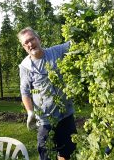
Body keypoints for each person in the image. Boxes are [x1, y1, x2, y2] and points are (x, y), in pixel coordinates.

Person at [18, 27, 77, 160]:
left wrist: (79, 27)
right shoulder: (26, 66)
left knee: (66, 153)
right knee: (46, 154)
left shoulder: (56, 51)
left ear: (38, 38)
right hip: (45, 119)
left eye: (31, 39)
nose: (30, 44)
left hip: (65, 114)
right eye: (25, 43)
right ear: (23, 47)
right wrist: (30, 112)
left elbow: (74, 42)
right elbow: (25, 92)